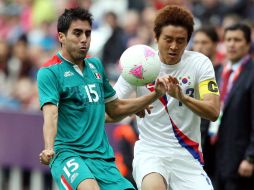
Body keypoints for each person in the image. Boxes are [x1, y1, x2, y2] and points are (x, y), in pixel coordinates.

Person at [37, 7, 171, 190]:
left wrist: (153, 96)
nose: (84, 39)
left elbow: (114, 109)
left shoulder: (95, 66)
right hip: (68, 154)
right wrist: (49, 147)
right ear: (61, 37)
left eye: (87, 33)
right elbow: (51, 114)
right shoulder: (49, 72)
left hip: (101, 158)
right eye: (77, 33)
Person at [113, 5, 220, 190]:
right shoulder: (139, 64)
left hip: (187, 156)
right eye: (168, 39)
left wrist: (183, 97)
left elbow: (213, 112)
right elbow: (108, 112)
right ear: (156, 37)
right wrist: (136, 104)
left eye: (181, 41)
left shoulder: (200, 63)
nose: (174, 46)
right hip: (151, 152)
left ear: (188, 41)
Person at [215, 23, 254, 190]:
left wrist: (251, 157)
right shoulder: (218, 72)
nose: (231, 44)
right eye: (228, 39)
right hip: (215, 154)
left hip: (240, 158)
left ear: (247, 44)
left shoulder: (251, 74)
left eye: (237, 40)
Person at [192, 26, 223, 182]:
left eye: (204, 42)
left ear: (215, 44)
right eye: (196, 42)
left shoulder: (222, 72)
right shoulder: (188, 72)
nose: (199, 46)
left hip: (215, 140)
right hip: (192, 137)